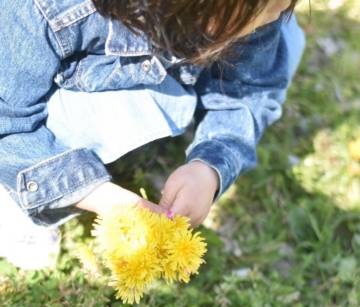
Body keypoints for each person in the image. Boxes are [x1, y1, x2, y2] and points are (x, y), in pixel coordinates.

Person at [0, 0, 305, 270]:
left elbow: (250, 92)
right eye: (266, 10)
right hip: (13, 97)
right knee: (152, 106)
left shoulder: (251, 9)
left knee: (287, 42)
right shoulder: (44, 9)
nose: (273, 15)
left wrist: (209, 168)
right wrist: (97, 196)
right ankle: (17, 193)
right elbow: (7, 122)